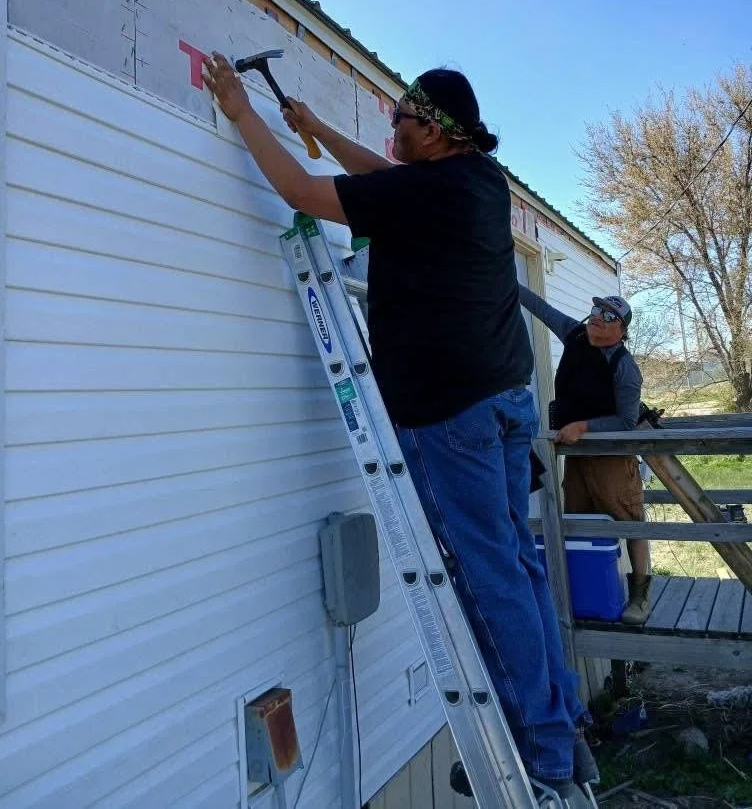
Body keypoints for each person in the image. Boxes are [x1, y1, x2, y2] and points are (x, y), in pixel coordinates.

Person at [203, 53, 596, 802]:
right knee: (518, 565)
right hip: (504, 400)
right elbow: (391, 183)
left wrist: (239, 109)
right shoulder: (478, 180)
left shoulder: (428, 191)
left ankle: (539, 752)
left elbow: (298, 189)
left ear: (439, 131)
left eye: (401, 121)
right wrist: (317, 125)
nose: (390, 129)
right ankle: (562, 719)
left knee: (489, 580)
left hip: (450, 414)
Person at [519, 287, 650, 625]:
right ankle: (580, 590)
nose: (597, 317)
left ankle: (640, 594)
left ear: (621, 330)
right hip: (577, 458)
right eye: (596, 310)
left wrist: (583, 426)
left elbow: (626, 421)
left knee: (630, 522)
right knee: (576, 523)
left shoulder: (625, 367)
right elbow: (538, 305)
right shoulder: (574, 333)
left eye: (609, 315)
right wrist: (497, 268)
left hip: (612, 461)